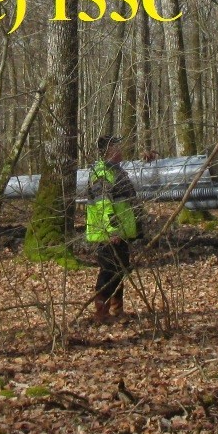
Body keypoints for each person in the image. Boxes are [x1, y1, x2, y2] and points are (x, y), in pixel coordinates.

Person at [85, 134, 138, 324]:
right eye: (117, 147)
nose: (121, 151)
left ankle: (117, 310)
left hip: (121, 232)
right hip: (106, 234)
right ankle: (101, 313)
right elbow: (103, 205)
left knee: (119, 271)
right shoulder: (102, 173)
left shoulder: (117, 171)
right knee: (108, 272)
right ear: (108, 151)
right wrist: (111, 230)